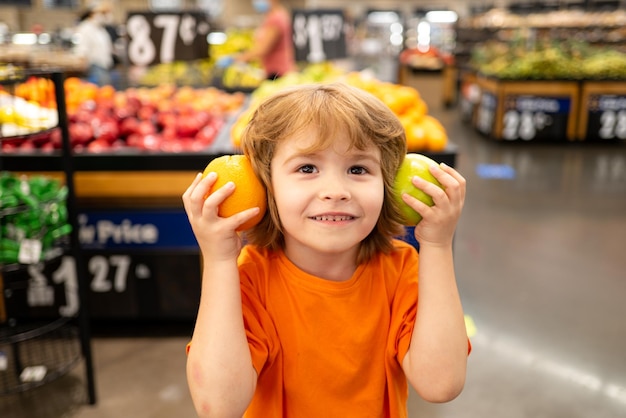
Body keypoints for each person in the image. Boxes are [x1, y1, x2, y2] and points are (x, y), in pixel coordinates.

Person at [182, 82, 469, 417]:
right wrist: (218, 261)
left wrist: (436, 244)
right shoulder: (251, 277)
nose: (335, 190)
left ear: (388, 184)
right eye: (307, 168)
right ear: (264, 185)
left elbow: (441, 384)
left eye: (358, 169)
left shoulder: (402, 268)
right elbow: (218, 406)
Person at [236, 0, 296, 79]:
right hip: (273, 70)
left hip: (278, 72)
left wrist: (238, 58)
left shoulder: (276, 19)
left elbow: (263, 49)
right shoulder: (274, 15)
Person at [74, 2, 114, 87]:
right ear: (93, 13)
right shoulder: (85, 28)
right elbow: (82, 50)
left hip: (105, 67)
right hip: (95, 68)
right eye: (103, 13)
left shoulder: (100, 29)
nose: (106, 16)